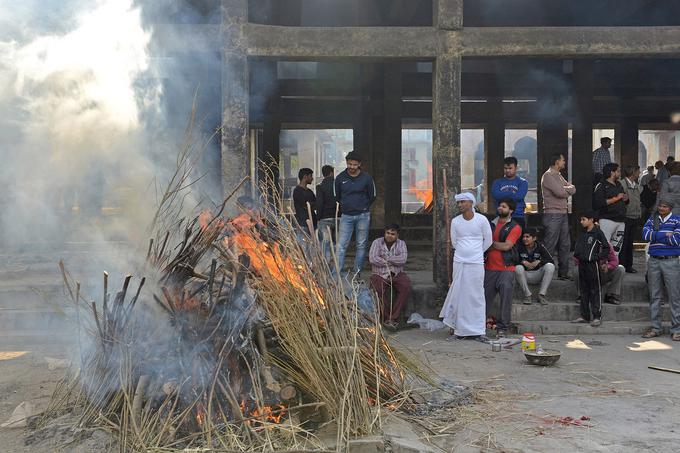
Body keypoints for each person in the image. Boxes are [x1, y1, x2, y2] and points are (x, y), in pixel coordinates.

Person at [440, 193, 493, 340]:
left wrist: (475, 252)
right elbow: (454, 242)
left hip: (476, 263)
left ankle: (479, 330)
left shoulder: (482, 220)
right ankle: (460, 331)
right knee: (460, 295)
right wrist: (465, 252)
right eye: (458, 203)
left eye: (462, 202)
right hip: (459, 262)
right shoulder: (456, 221)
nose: (460, 205)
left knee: (476, 295)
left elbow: (488, 240)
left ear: (471, 203)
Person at [642, 199, 680, 341]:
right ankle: (655, 328)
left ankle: (676, 329)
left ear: (670, 208)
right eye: (660, 206)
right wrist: (665, 235)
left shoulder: (677, 220)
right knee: (655, 295)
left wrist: (656, 235)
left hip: (671, 261)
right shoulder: (653, 219)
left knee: (674, 296)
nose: (661, 208)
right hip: (654, 261)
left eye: (665, 206)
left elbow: (677, 239)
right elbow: (645, 235)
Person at [484, 199, 522, 337]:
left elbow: (507, 246)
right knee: (484, 299)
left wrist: (490, 244)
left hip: (506, 269)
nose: (500, 208)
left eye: (504, 206)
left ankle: (503, 328)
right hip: (489, 267)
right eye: (499, 205)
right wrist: (494, 244)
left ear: (510, 210)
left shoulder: (515, 227)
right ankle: (478, 326)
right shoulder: (490, 224)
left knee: (506, 300)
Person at [334, 151, 376, 275]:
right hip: (346, 216)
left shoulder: (367, 178)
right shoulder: (340, 178)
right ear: (346, 163)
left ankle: (357, 273)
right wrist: (346, 206)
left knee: (361, 245)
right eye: (349, 164)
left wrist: (363, 206)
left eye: (355, 165)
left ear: (359, 164)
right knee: (341, 246)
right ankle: (337, 271)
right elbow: (337, 196)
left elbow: (372, 195)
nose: (352, 167)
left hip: (363, 216)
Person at [368, 224, 411, 331]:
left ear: (397, 235)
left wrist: (386, 258)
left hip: (397, 273)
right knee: (377, 290)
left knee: (406, 286)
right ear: (384, 233)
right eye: (388, 233)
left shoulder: (401, 244)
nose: (389, 236)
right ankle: (387, 318)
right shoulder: (377, 242)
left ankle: (393, 318)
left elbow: (403, 259)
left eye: (393, 234)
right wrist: (393, 260)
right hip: (379, 273)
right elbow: (373, 259)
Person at [541, 153, 576, 279]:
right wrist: (567, 188)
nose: (564, 162)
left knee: (565, 244)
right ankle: (545, 272)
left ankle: (563, 273)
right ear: (557, 162)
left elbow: (573, 189)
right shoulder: (548, 175)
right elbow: (560, 192)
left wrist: (566, 188)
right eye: (563, 160)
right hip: (552, 214)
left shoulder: (559, 176)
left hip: (562, 212)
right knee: (550, 244)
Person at [572, 212, 610, 327]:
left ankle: (597, 316)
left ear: (591, 220)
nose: (581, 222)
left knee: (595, 290)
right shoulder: (582, 232)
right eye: (581, 219)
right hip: (582, 264)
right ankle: (584, 316)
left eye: (584, 219)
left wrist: (596, 258)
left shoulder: (598, 232)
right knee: (583, 290)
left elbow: (606, 248)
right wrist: (577, 255)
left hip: (593, 265)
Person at [514, 227, 555, 306]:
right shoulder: (519, 247)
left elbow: (551, 260)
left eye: (527, 237)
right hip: (524, 275)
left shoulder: (540, 246)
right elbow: (512, 260)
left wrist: (539, 262)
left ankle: (541, 295)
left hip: (537, 274)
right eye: (523, 237)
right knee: (518, 267)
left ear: (534, 238)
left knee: (550, 266)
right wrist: (522, 262)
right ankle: (527, 295)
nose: (524, 239)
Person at [593, 162, 627, 253]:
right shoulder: (602, 185)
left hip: (620, 220)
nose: (619, 173)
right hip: (607, 219)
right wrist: (616, 198)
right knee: (605, 245)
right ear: (612, 172)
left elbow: (623, 198)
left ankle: (614, 264)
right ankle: (603, 265)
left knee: (617, 248)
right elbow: (599, 203)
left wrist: (625, 198)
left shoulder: (618, 184)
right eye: (618, 171)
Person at [490, 156, 529, 230]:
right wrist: (512, 193)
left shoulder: (523, 182)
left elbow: (519, 196)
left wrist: (502, 196)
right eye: (505, 168)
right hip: (501, 216)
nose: (507, 170)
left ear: (516, 168)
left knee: (518, 241)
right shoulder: (497, 182)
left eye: (510, 168)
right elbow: (496, 195)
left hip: (518, 216)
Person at [620, 164, 641, 272]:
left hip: (635, 216)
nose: (639, 173)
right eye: (638, 171)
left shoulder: (636, 185)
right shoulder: (622, 184)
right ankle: (622, 264)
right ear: (633, 172)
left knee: (630, 242)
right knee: (624, 242)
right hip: (626, 216)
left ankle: (628, 265)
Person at [315, 165, 337, 262]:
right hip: (339, 218)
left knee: (325, 243)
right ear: (332, 173)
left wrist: (318, 217)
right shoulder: (338, 185)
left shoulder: (320, 187)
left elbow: (319, 203)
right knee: (339, 243)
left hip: (325, 219)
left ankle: (326, 264)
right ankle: (337, 264)